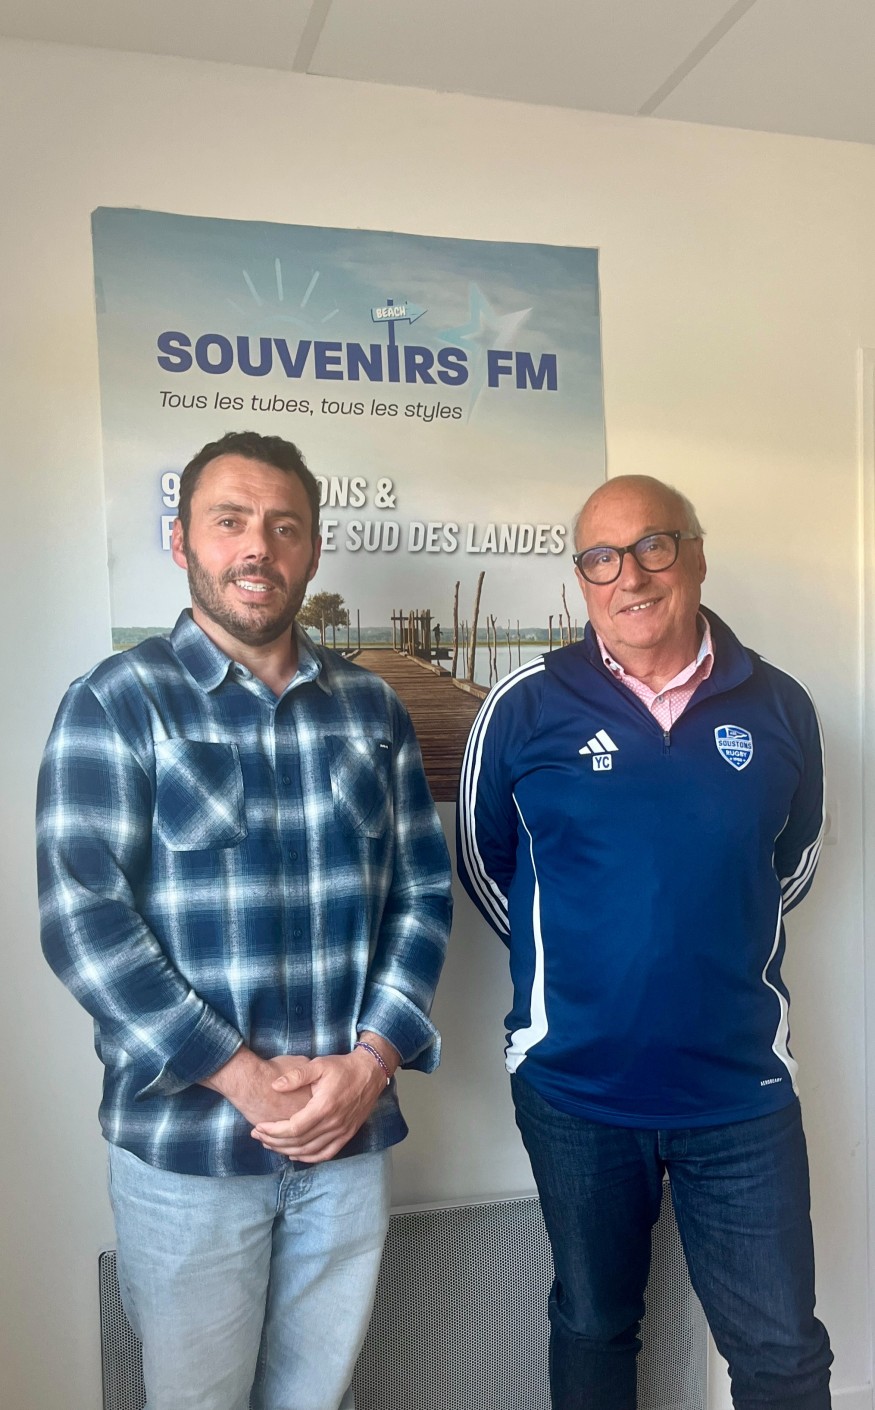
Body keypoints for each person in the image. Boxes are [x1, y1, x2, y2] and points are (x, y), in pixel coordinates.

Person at [37, 430, 452, 1410]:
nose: (257, 546)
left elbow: (422, 896)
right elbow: (83, 921)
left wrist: (370, 1065)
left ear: (312, 549)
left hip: (347, 1138)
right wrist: (241, 1076)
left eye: (283, 526)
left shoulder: (372, 710)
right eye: (230, 521)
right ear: (181, 540)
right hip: (189, 1148)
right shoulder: (116, 703)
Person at [457, 474, 831, 1410]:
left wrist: (697, 938)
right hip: (575, 1089)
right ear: (580, 579)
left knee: (782, 1353)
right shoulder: (523, 707)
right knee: (593, 1324)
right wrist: (587, 966)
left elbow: (787, 867)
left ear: (695, 556)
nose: (628, 575)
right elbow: (486, 865)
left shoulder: (781, 706)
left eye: (652, 545)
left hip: (738, 1091)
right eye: (600, 558)